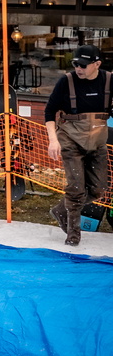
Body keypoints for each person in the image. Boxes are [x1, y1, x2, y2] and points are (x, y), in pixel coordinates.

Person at [45, 44, 111, 247]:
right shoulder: (66, 81)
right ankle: (73, 235)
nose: (78, 69)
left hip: (97, 142)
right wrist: (53, 140)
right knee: (75, 188)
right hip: (70, 140)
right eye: (75, 64)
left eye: (83, 65)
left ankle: (60, 209)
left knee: (99, 189)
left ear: (97, 64)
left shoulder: (109, 80)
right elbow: (49, 112)